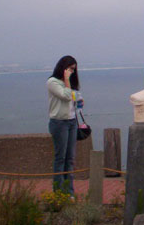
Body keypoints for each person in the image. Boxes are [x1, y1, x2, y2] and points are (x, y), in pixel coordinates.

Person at [47, 55, 83, 194]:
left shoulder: (70, 84)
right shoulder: (52, 82)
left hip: (72, 121)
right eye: (70, 69)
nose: (72, 72)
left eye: (74, 70)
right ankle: (59, 192)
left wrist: (79, 101)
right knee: (60, 158)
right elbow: (66, 95)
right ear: (63, 67)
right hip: (59, 123)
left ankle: (69, 192)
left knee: (70, 159)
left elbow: (73, 99)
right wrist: (67, 80)